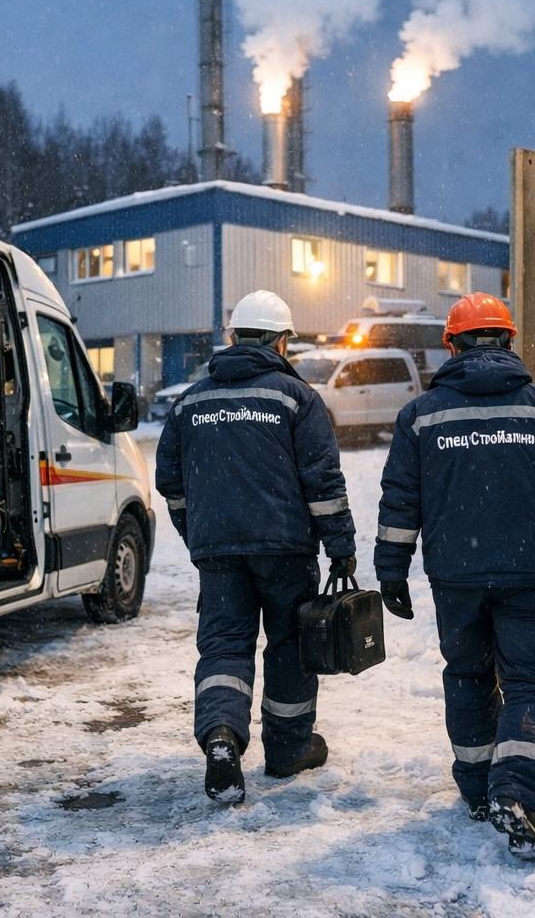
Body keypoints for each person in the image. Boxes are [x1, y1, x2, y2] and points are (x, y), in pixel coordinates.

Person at [374, 292, 535, 862]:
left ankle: (480, 788)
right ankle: (518, 792)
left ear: (450, 346)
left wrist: (392, 572)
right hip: (530, 576)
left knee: (466, 675)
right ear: (509, 341)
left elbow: (400, 502)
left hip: (455, 578)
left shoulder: (421, 416)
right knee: (533, 684)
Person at [156, 289, 357, 805]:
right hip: (286, 551)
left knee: (224, 647)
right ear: (281, 341)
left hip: (219, 554)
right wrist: (341, 547)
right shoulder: (297, 398)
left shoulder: (191, 401)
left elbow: (170, 483)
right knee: (289, 647)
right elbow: (323, 482)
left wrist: (197, 532)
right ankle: (288, 749)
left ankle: (222, 736)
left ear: (233, 338)